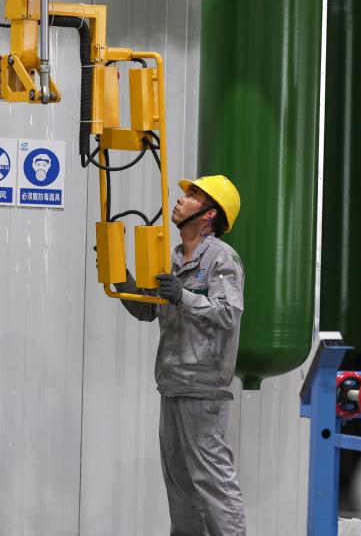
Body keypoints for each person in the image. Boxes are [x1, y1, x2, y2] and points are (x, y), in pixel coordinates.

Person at [115, 174, 246, 536]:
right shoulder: (171, 257)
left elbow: (228, 312)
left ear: (209, 214)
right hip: (172, 384)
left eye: (192, 196)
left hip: (203, 388)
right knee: (179, 482)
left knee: (214, 483)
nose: (180, 199)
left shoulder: (221, 258)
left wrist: (183, 296)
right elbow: (148, 309)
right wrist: (120, 276)